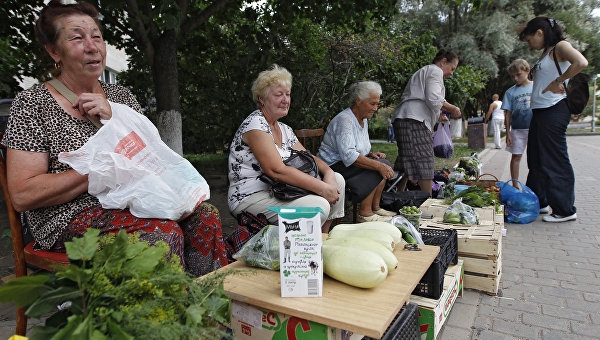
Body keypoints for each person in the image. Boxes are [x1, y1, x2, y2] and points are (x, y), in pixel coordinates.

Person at [0, 0, 228, 277]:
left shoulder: (122, 98)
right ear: (53, 51)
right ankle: (166, 318)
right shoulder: (32, 103)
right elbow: (23, 194)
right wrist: (99, 170)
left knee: (206, 217)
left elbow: (151, 158)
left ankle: (210, 313)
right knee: (161, 234)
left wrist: (116, 117)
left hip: (136, 200)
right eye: (77, 37)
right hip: (69, 216)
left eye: (97, 36)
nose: (92, 46)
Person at [227, 64, 345, 233]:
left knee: (338, 180)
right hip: (251, 198)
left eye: (287, 94)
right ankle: (302, 248)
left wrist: (329, 173)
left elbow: (308, 157)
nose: (285, 100)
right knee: (318, 206)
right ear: (261, 98)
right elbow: (277, 170)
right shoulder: (255, 125)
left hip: (281, 191)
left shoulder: (284, 129)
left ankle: (323, 238)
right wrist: (321, 188)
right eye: (278, 95)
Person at [519, 16, 587, 222]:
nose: (530, 44)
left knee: (554, 160)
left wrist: (559, 80)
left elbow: (581, 62)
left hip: (554, 109)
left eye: (530, 39)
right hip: (541, 111)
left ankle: (565, 210)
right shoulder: (546, 52)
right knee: (537, 159)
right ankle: (539, 202)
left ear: (540, 32)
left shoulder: (561, 46)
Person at [317, 81, 396, 222]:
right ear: (358, 100)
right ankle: (364, 213)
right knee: (376, 167)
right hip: (332, 165)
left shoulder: (363, 119)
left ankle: (375, 207)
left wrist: (371, 155)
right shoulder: (345, 120)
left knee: (383, 162)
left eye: (377, 104)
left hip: (345, 163)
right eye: (372, 104)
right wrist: (377, 165)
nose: (376, 108)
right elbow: (348, 155)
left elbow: (360, 147)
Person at [392, 49, 462, 195]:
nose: (452, 73)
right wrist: (452, 108)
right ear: (444, 61)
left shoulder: (426, 71)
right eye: (452, 68)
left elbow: (428, 100)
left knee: (406, 161)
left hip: (408, 118)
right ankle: (427, 200)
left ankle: (397, 196)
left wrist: (439, 113)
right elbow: (434, 98)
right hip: (413, 120)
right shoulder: (435, 71)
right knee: (425, 159)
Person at [501, 59, 533, 188]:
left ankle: (535, 186)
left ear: (527, 71)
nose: (515, 78)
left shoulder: (536, 86)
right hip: (518, 130)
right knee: (516, 157)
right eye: (513, 76)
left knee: (535, 159)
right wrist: (508, 132)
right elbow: (507, 113)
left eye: (518, 74)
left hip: (535, 128)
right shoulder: (510, 92)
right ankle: (515, 186)